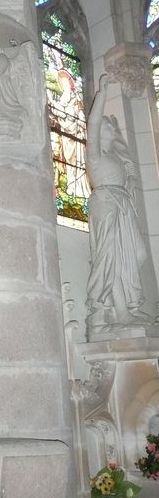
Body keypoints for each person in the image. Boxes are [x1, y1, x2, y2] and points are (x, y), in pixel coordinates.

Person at [86, 74, 149, 334]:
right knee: (111, 259)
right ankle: (121, 311)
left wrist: (130, 179)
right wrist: (102, 93)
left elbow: (127, 182)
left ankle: (130, 308)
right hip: (105, 203)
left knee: (137, 254)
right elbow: (92, 125)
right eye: (108, 126)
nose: (113, 129)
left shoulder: (115, 157)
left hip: (122, 205)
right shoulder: (95, 154)